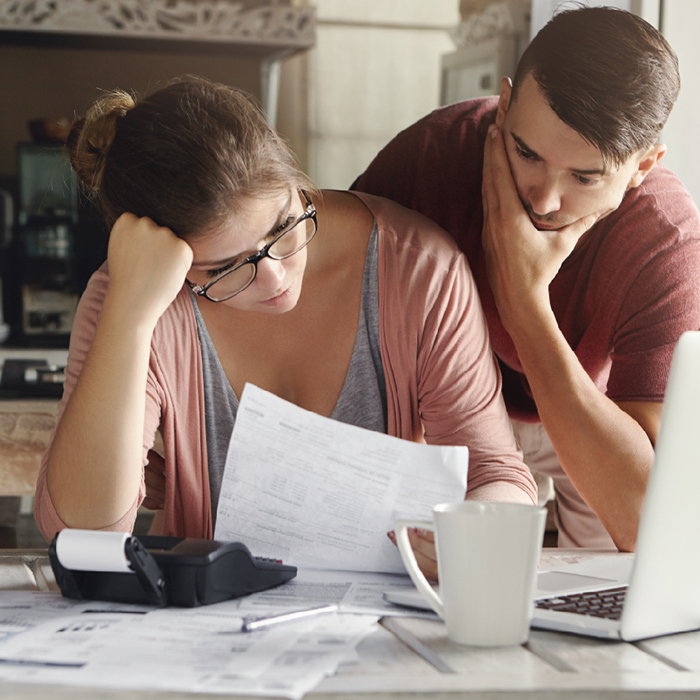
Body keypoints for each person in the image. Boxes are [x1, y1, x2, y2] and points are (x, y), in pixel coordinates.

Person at [34, 77, 537, 579]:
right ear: (164, 257)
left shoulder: (419, 268)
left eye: (283, 226)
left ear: (294, 177)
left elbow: (497, 474)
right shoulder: (130, 296)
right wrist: (130, 316)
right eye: (225, 268)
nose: (276, 276)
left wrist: (474, 531)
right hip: (207, 632)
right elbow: (82, 535)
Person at [352, 6, 700, 551]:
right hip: (454, 403)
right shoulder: (430, 156)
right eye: (526, 152)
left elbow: (644, 521)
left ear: (643, 166)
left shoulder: (667, 242)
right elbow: (325, 303)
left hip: (591, 406)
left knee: (616, 586)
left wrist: (524, 303)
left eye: (585, 176)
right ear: (505, 105)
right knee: (434, 567)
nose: (544, 197)